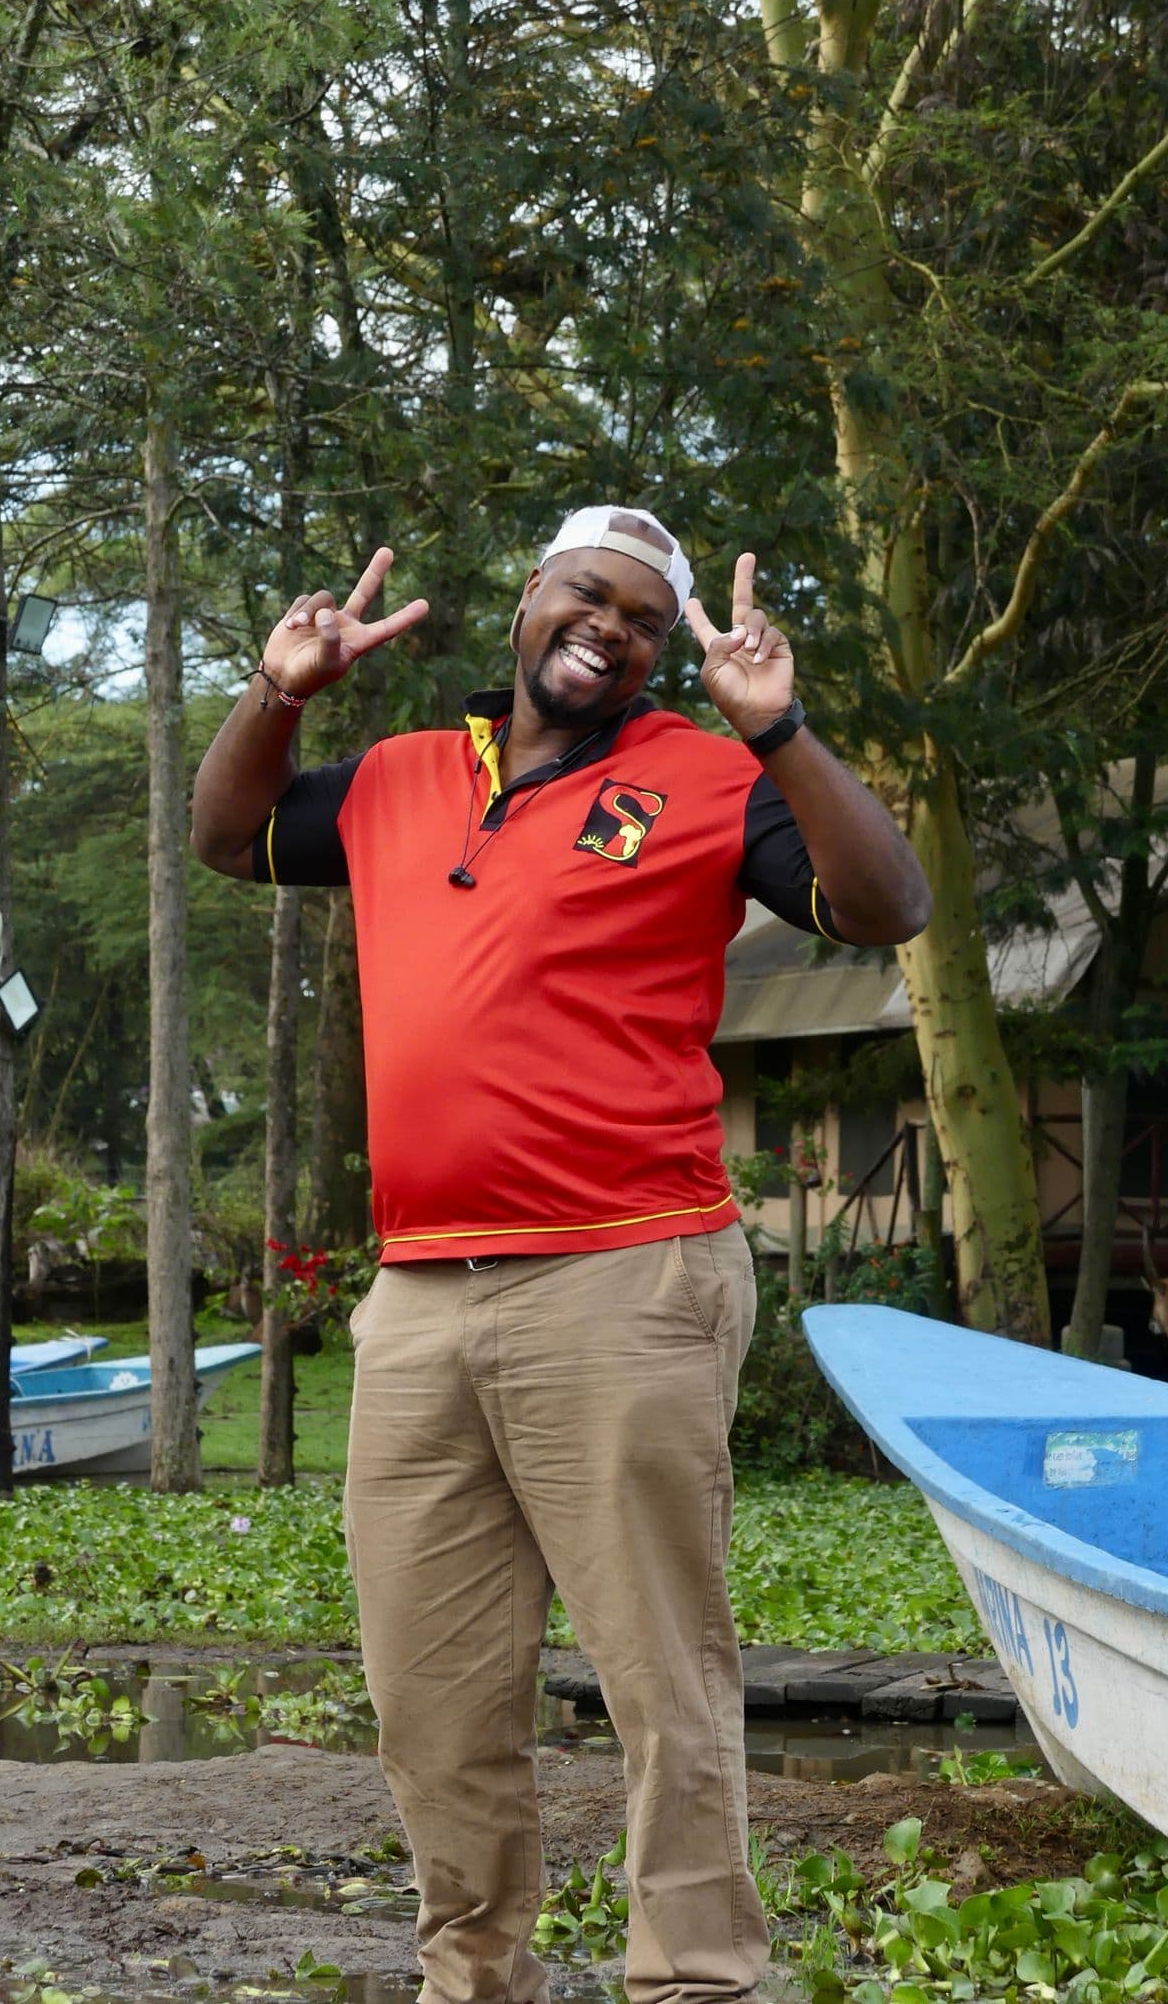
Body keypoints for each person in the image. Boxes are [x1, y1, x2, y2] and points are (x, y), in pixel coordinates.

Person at [192, 506, 930, 2004]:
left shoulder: (712, 781)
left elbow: (885, 904)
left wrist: (781, 730)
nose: (617, 630)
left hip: (627, 1275)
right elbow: (227, 835)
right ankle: (474, 1978)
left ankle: (695, 1979)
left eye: (648, 620)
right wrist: (280, 695)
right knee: (432, 1695)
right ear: (532, 597)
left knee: (665, 1676)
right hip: (420, 1299)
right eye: (594, 595)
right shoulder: (402, 780)